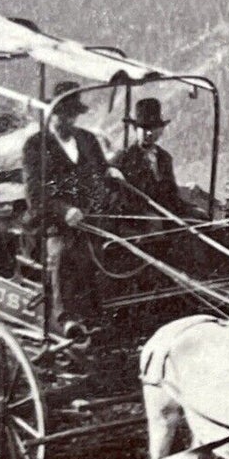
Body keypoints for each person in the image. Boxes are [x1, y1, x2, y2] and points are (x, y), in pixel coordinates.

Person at [21, 81, 112, 337]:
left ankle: (96, 316)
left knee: (106, 247)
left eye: (73, 114)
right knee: (63, 252)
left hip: (88, 218)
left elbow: (101, 176)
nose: (68, 119)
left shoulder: (87, 139)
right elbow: (35, 194)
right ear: (52, 113)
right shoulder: (35, 146)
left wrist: (110, 178)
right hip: (50, 224)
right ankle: (66, 318)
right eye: (63, 113)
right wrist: (64, 211)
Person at [114, 96, 185, 215]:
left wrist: (188, 209)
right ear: (135, 129)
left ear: (161, 130)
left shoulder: (165, 158)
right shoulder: (123, 158)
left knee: (200, 217)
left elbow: (172, 193)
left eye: (154, 128)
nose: (149, 133)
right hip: (135, 217)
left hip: (166, 215)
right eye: (144, 128)